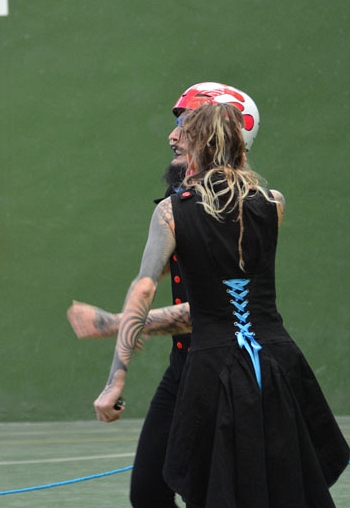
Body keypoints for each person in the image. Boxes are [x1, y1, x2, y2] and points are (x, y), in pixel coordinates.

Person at [93, 103, 350, 507]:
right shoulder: (273, 201)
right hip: (278, 364)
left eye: (183, 132)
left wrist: (115, 380)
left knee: (221, 492)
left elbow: (143, 290)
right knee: (284, 489)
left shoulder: (170, 212)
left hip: (213, 369)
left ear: (201, 146)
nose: (173, 139)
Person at [69, 83, 260, 508]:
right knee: (149, 492)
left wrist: (114, 324)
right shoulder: (175, 208)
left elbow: (219, 311)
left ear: (217, 133)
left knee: (213, 495)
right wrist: (117, 364)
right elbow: (155, 287)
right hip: (185, 365)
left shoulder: (255, 209)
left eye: (184, 125)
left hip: (232, 370)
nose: (172, 136)